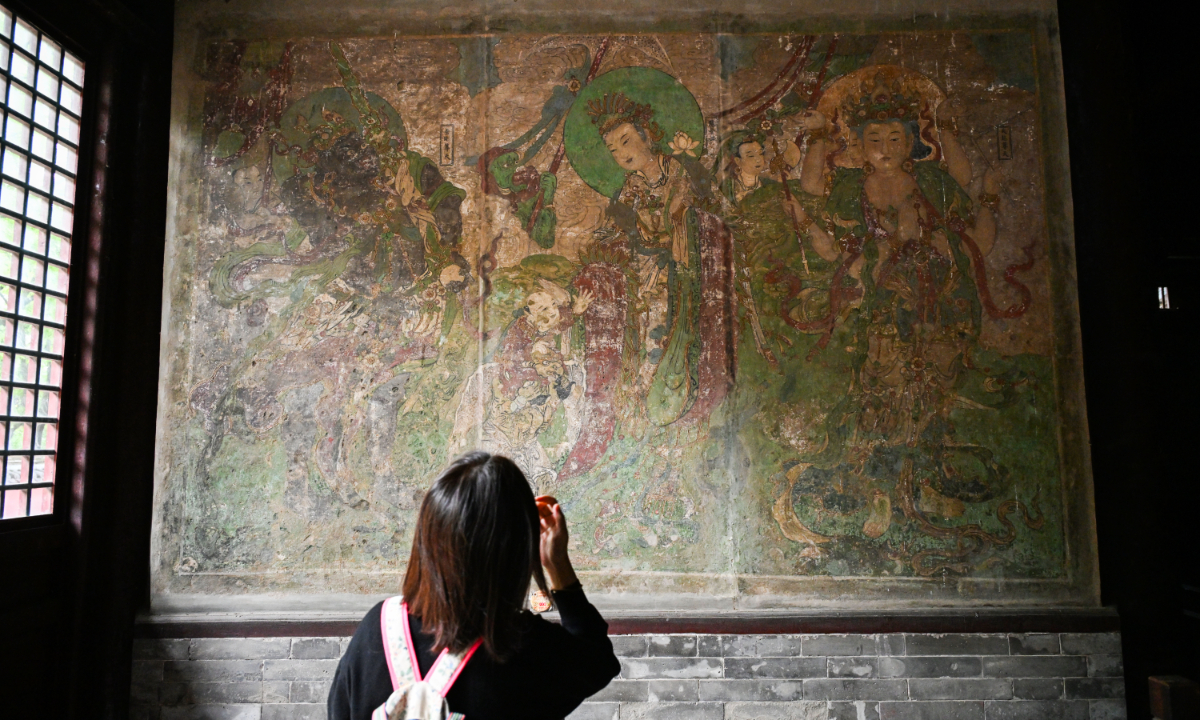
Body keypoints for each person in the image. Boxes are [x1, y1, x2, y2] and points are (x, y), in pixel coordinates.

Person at [327, 452, 620, 719]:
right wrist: (557, 566)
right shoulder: (522, 648)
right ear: (515, 553)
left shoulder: (376, 627)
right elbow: (597, 662)